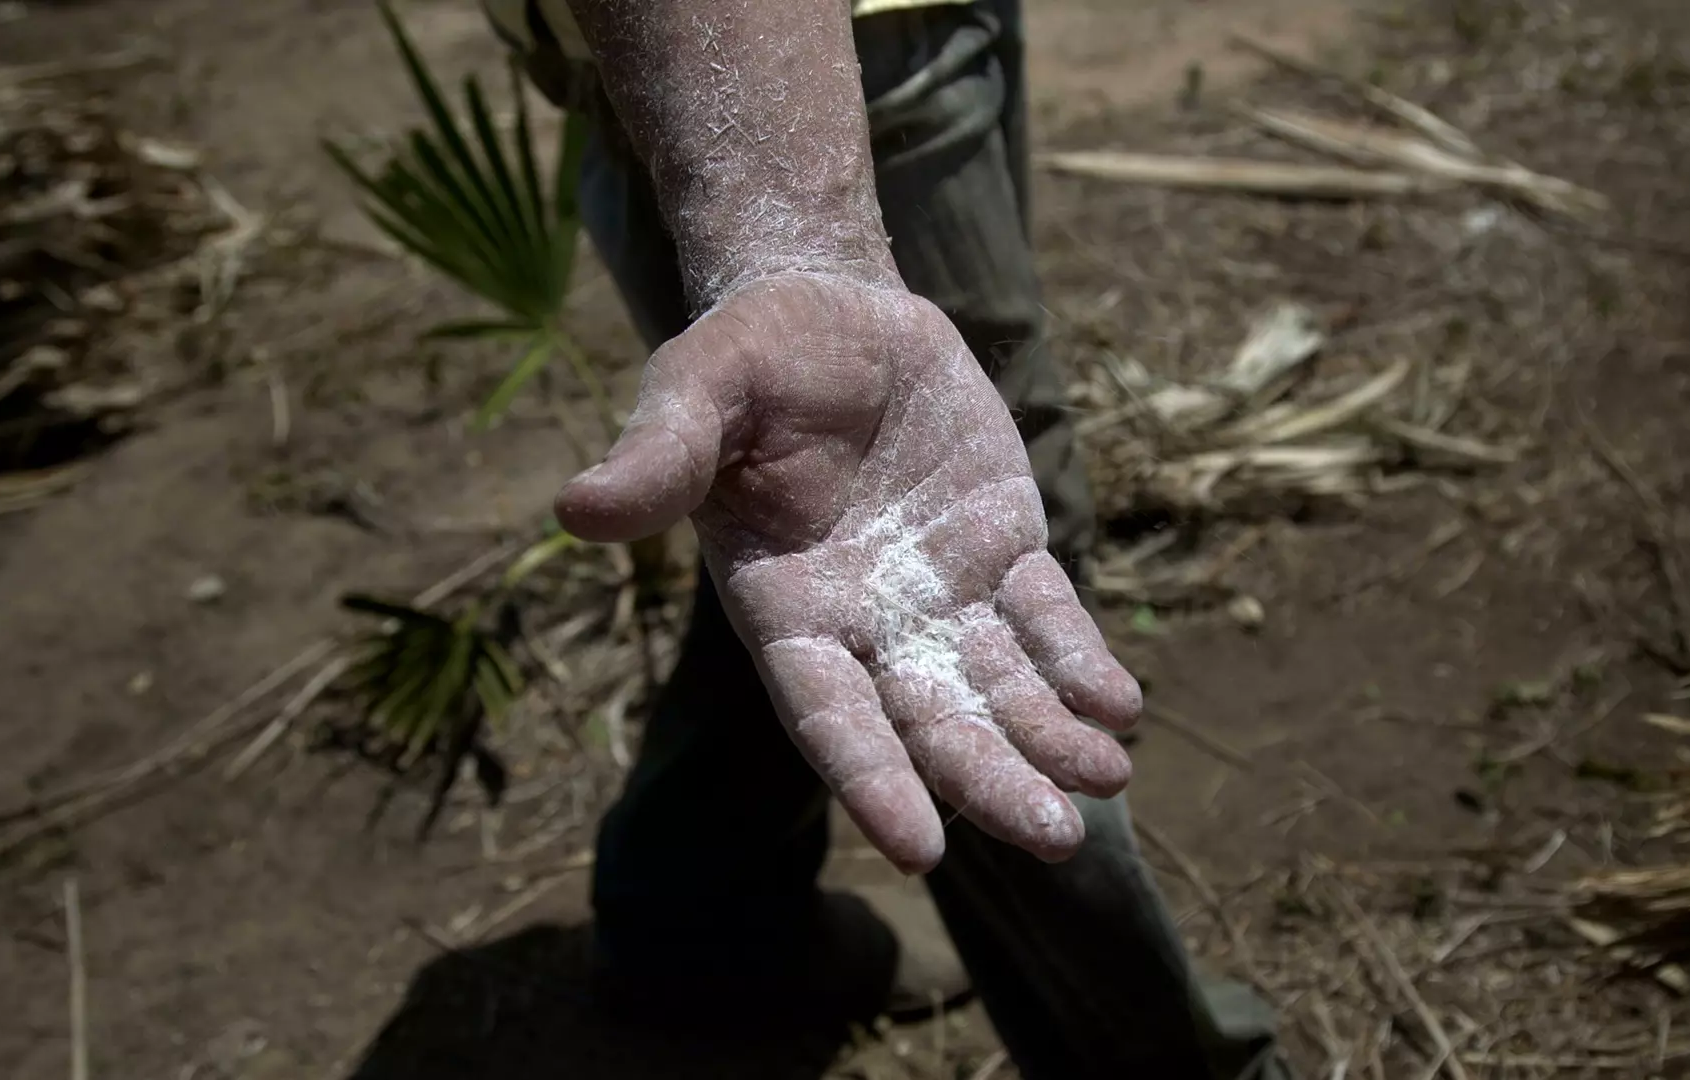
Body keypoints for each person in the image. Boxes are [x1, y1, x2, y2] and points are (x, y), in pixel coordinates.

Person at [479, 0, 1289, 1076]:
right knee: (963, 595)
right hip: (781, 57)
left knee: (798, 538)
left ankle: (695, 930)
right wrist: (798, 248)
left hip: (872, 30)